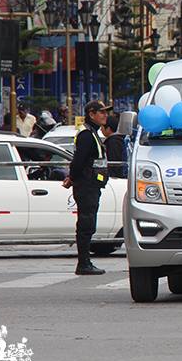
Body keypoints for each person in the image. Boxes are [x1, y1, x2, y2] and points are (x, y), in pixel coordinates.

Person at [62, 100, 111, 276]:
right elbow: (78, 161)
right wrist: (72, 178)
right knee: (86, 224)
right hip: (86, 185)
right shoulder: (86, 135)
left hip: (91, 184)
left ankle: (85, 262)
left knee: (88, 224)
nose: (105, 115)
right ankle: (83, 263)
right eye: (101, 112)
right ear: (91, 114)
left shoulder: (93, 133)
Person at [102, 114, 127, 178]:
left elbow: (114, 162)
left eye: (102, 127)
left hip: (115, 178)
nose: (101, 129)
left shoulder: (113, 142)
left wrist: (112, 176)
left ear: (108, 129)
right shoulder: (117, 140)